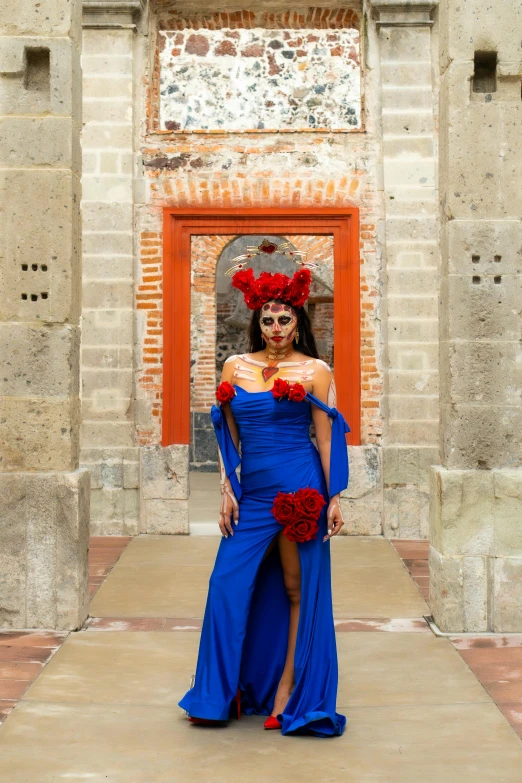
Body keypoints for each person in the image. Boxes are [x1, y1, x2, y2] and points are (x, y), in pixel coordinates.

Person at [178, 253, 350, 737]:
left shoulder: (315, 370)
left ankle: (287, 691)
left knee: (298, 590)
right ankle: (216, 694)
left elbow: (326, 437)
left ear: (298, 322)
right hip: (251, 495)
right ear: (258, 321)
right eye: (268, 319)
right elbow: (227, 439)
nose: (276, 326)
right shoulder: (235, 367)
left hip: (301, 491)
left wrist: (334, 497)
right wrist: (226, 490)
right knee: (225, 585)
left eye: (285, 318)